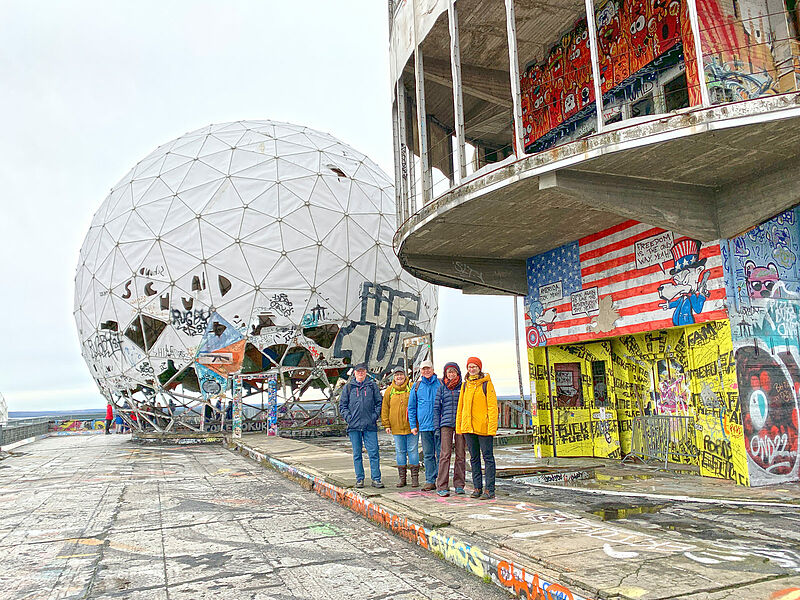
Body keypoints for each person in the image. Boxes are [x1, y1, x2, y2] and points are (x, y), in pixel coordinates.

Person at [456, 357, 499, 499]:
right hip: (469, 427)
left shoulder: (487, 384)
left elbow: (492, 407)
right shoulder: (465, 385)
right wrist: (460, 427)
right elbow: (460, 407)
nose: (472, 369)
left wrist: (492, 428)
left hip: (483, 427)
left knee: (488, 458)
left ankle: (489, 490)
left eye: (474, 366)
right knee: (474, 458)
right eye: (469, 367)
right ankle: (477, 488)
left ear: (479, 368)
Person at [340, 363, 383, 488]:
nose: (360, 373)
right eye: (358, 371)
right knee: (357, 454)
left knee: (374, 452)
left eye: (363, 371)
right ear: (354, 373)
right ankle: (360, 479)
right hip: (354, 426)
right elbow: (342, 405)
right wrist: (349, 418)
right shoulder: (348, 387)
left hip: (369, 426)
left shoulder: (372, 386)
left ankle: (376, 479)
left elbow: (379, 403)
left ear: (365, 373)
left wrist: (374, 416)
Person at [381, 366, 420, 487]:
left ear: (405, 375)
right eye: (397, 375)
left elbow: (419, 404)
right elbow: (385, 408)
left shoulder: (412, 387)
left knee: (413, 451)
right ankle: (402, 479)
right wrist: (386, 424)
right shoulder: (389, 390)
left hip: (411, 426)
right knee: (400, 451)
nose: (399, 377)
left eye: (401, 374)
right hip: (396, 427)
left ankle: (415, 479)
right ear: (394, 377)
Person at [434, 362, 466, 497]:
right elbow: (436, 408)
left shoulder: (463, 387)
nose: (451, 374)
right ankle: (442, 486)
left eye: (453, 372)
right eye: (449, 372)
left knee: (460, 455)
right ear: (445, 374)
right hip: (445, 424)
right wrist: (437, 426)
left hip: (460, 424)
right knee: (444, 455)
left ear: (458, 373)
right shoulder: (442, 388)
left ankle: (459, 485)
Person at [408, 359, 441, 491]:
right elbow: (411, 408)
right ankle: (430, 480)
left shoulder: (440, 384)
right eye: (424, 369)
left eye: (428, 368)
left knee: (441, 454)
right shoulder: (416, 386)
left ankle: (441, 479)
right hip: (425, 426)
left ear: (433, 370)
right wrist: (413, 425)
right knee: (428, 455)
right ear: (420, 371)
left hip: (439, 425)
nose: (426, 371)